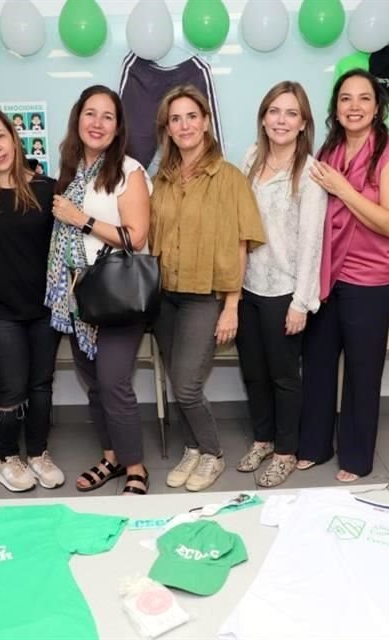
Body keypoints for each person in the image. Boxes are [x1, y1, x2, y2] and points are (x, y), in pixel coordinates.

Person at [298, 69, 389, 483]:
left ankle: (357, 458)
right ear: (335, 107)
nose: (354, 107)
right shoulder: (328, 151)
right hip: (327, 275)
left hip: (371, 281)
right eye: (345, 99)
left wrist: (345, 189)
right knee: (317, 363)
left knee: (363, 371)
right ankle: (313, 445)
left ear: (378, 106)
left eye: (364, 98)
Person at [149, 85, 266, 492]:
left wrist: (232, 305)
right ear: (168, 127)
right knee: (172, 377)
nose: (184, 125)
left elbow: (240, 243)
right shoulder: (161, 178)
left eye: (191, 117)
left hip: (205, 297)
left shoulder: (229, 177)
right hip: (164, 297)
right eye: (175, 118)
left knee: (186, 384)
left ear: (205, 122)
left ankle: (213, 453)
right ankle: (193, 449)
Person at [45, 85, 152, 496]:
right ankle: (111, 458)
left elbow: (137, 237)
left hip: (118, 295)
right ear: (78, 120)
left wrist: (82, 219)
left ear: (118, 127)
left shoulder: (129, 171)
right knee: (93, 382)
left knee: (112, 381)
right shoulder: (70, 170)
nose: (97, 123)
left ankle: (136, 467)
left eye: (108, 116)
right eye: (91, 113)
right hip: (77, 296)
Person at [0, 107, 64, 493]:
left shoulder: (46, 188)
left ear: (14, 137)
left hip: (44, 309)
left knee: (41, 384)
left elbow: (66, 247)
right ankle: (8, 458)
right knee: (11, 387)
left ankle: (38, 452)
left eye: (0, 136)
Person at [236, 81, 327, 488]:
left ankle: (286, 452)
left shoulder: (309, 171)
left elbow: (312, 241)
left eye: (291, 113)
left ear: (303, 122)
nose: (281, 120)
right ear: (263, 116)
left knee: (284, 377)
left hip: (284, 291)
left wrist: (301, 302)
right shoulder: (251, 158)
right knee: (253, 373)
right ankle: (263, 440)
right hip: (248, 286)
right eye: (274, 111)